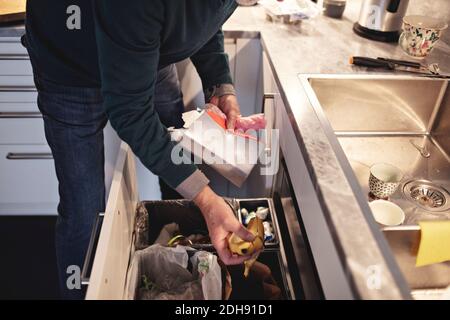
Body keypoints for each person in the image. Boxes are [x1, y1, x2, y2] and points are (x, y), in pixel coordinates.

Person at [24, 0, 254, 299]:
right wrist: (207, 200)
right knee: (84, 211)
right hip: (70, 67)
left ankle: (184, 251)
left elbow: (203, 17)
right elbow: (131, 114)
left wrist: (220, 84)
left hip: (146, 51)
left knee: (177, 151)